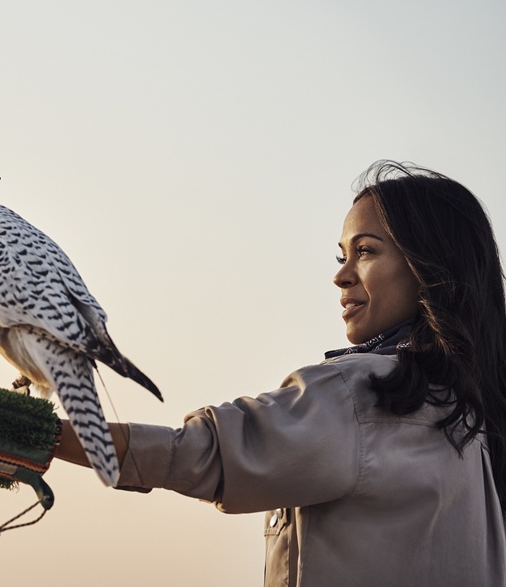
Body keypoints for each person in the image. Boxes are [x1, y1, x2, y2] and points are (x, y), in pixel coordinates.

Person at [56, 160, 506, 586]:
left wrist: (34, 432)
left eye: (365, 251)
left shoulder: (356, 392)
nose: (342, 276)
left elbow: (196, 454)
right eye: (341, 257)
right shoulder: (474, 416)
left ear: (430, 266)